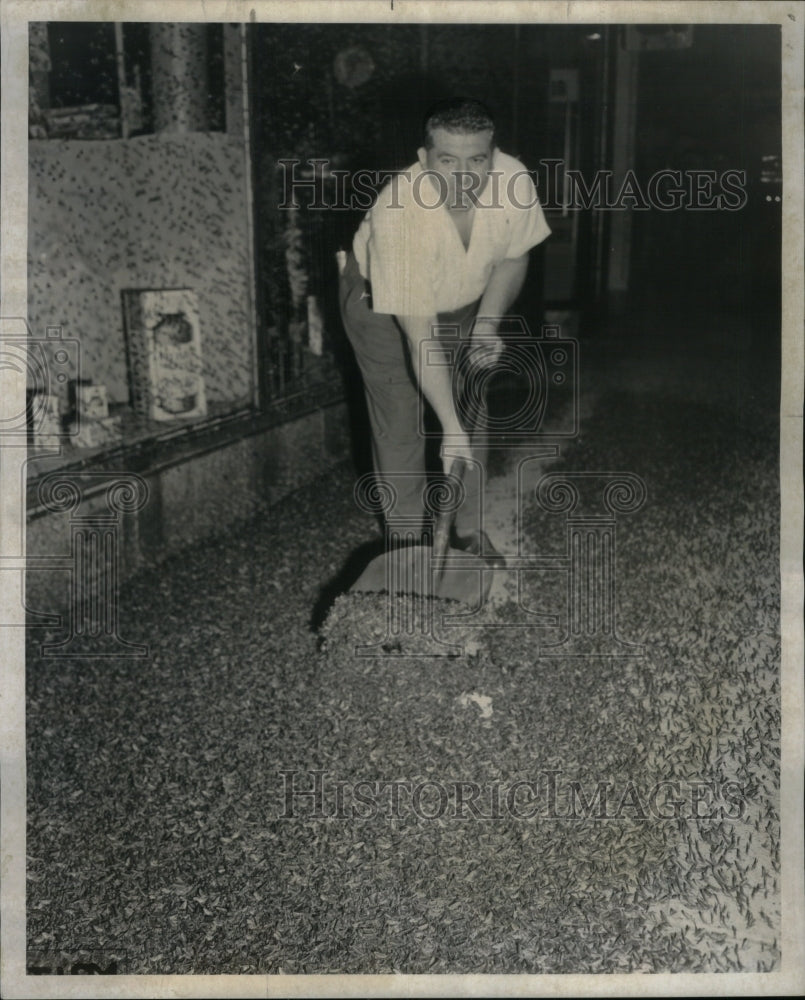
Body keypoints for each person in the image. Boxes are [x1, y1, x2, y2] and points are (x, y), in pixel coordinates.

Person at [339, 98, 551, 563]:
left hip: (463, 298)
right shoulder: (399, 213)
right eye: (447, 161)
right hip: (381, 307)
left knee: (471, 403)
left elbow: (515, 256)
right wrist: (448, 427)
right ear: (424, 159)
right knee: (401, 418)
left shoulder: (513, 180)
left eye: (476, 160)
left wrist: (487, 326)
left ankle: (469, 531)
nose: (464, 176)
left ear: (492, 157)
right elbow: (421, 340)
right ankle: (409, 547)